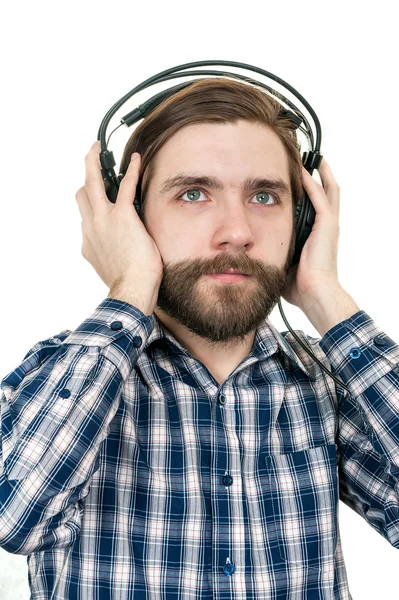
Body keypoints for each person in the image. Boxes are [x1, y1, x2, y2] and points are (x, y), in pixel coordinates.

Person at [1, 78, 398, 600]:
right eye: (194, 193)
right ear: (134, 219)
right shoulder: (65, 377)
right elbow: (14, 514)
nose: (237, 231)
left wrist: (326, 295)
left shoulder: (328, 382)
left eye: (264, 196)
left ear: (300, 223)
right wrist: (130, 289)